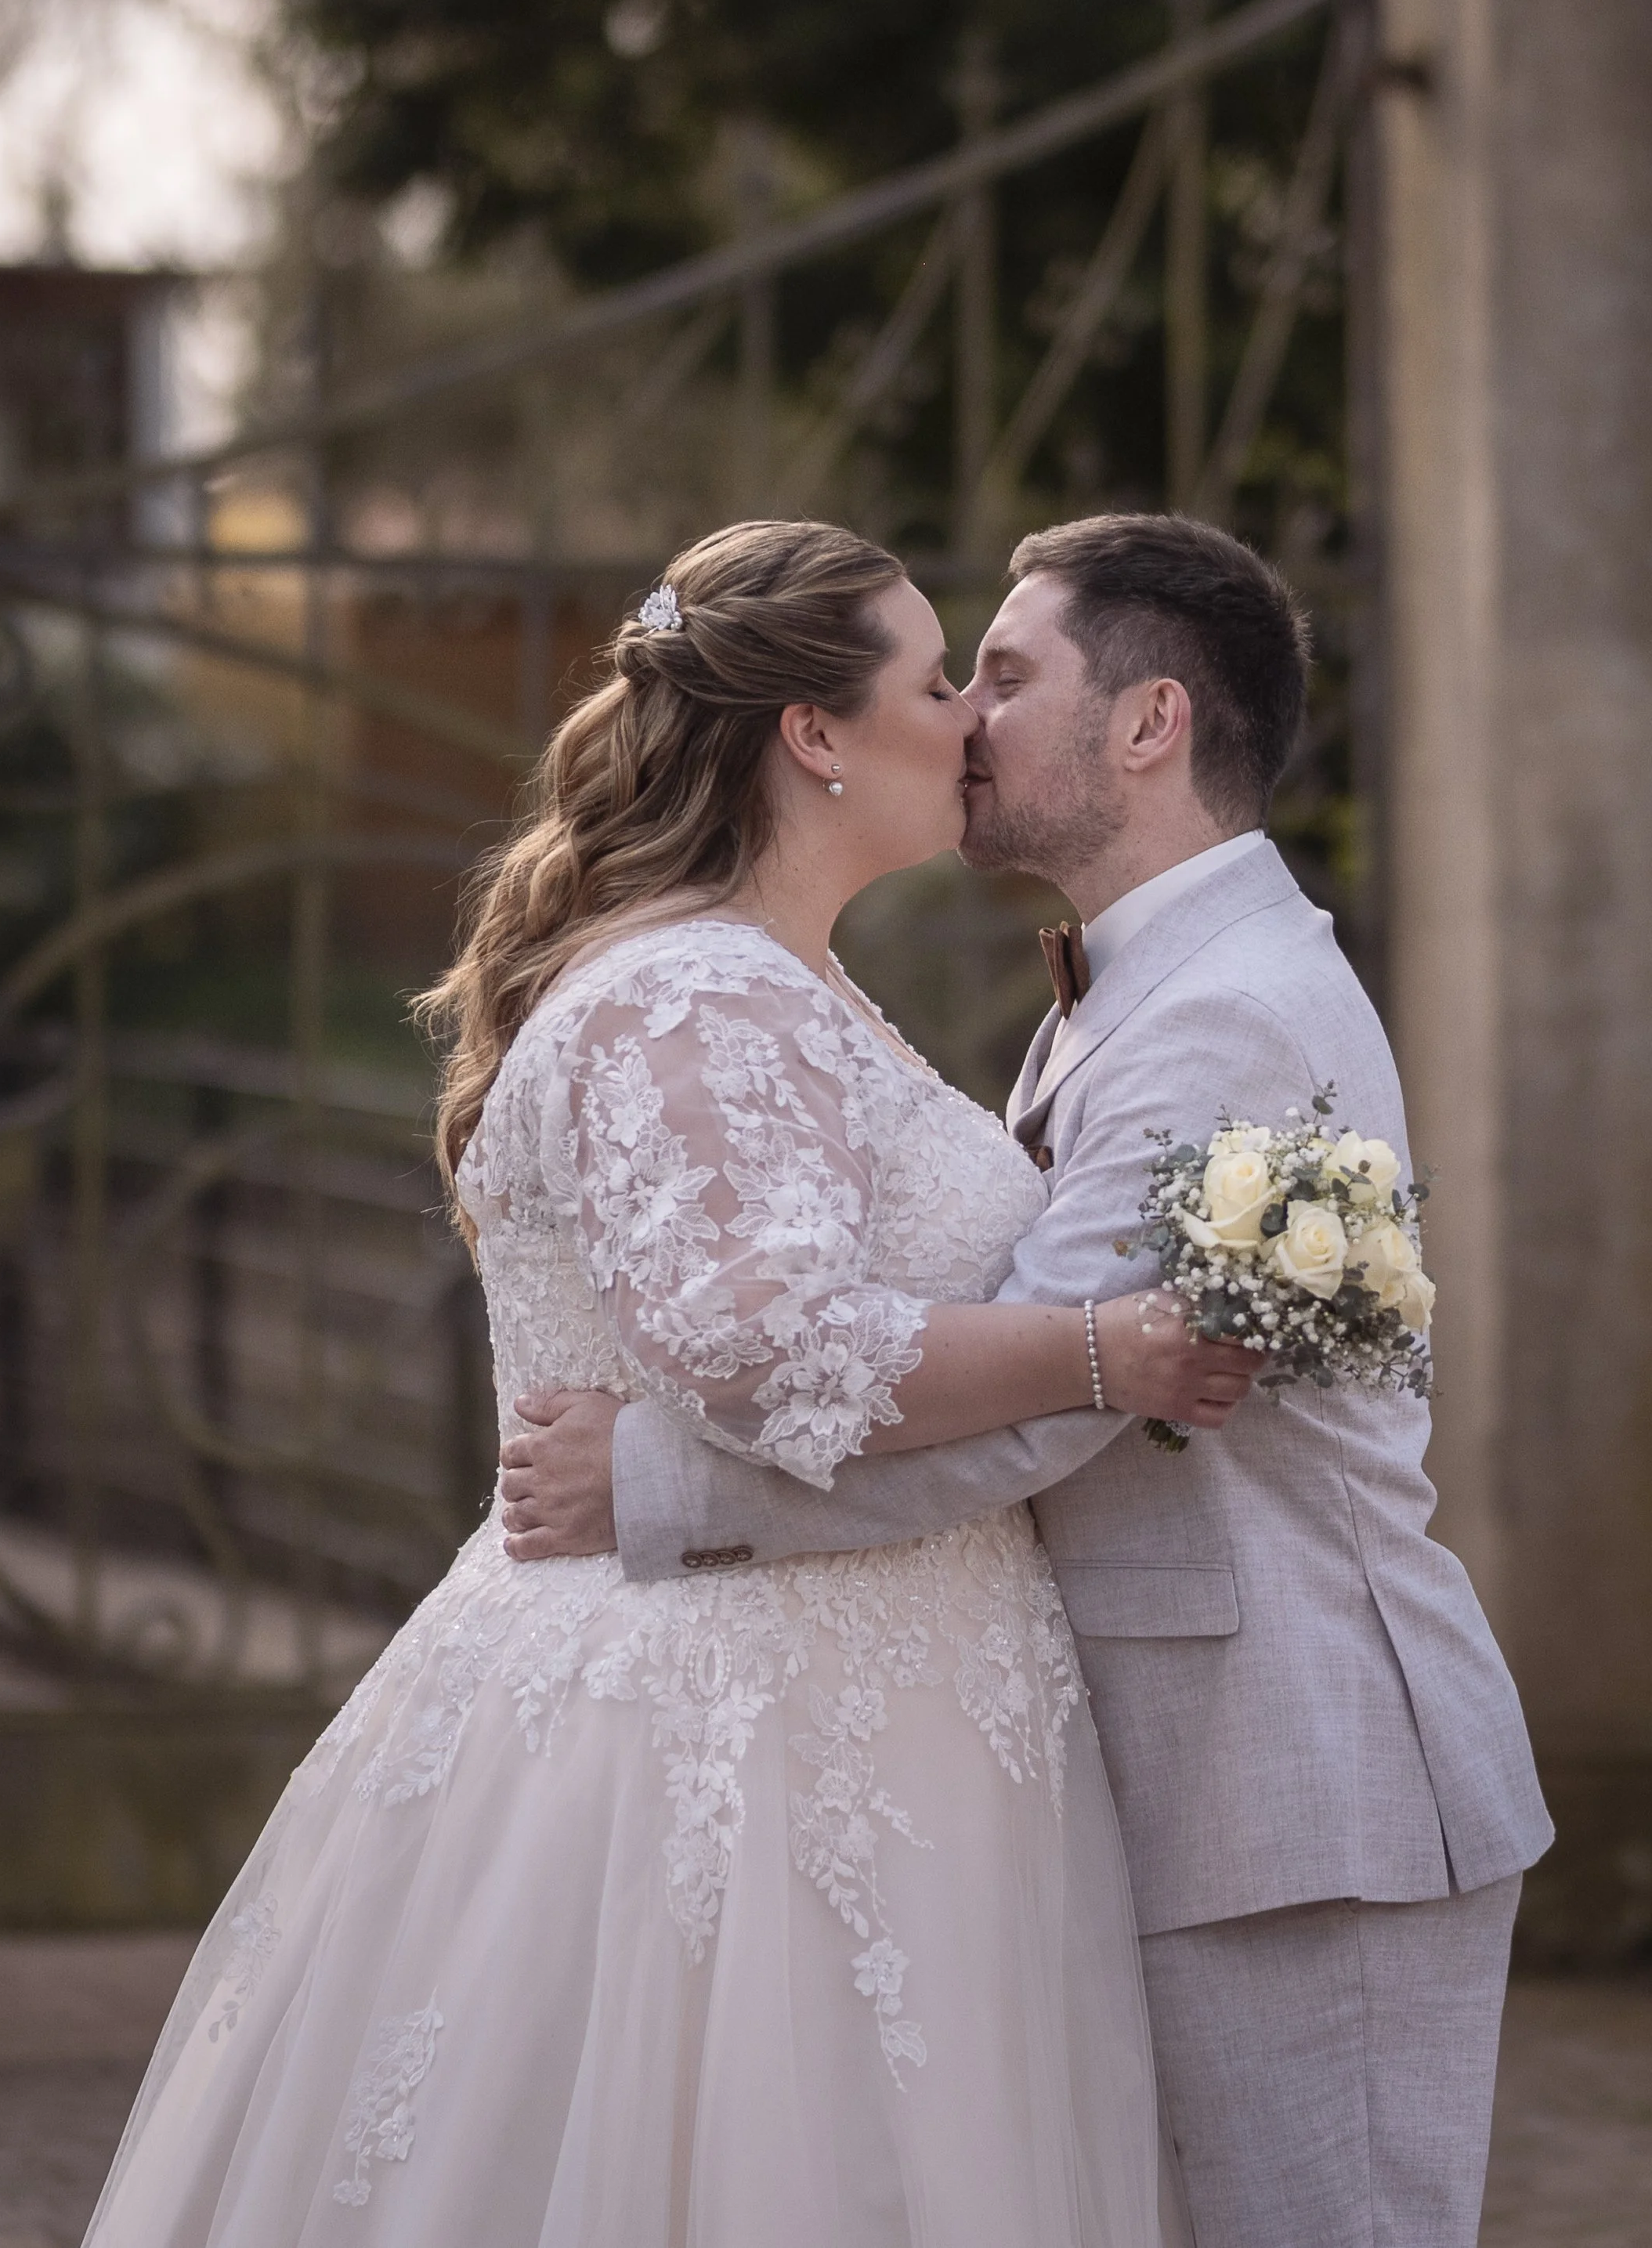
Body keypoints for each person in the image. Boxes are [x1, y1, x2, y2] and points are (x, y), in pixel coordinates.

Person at [81, 517, 1231, 2248]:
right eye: (937, 683)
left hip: (875, 1709)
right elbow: (778, 1355)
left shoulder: (789, 984)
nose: (972, 723)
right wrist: (1104, 1347)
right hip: (728, 1731)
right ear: (813, 736)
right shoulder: (692, 994)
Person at [504, 511, 1556, 2248]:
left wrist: (654, 1484)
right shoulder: (1129, 994)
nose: (967, 715)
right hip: (1201, 1785)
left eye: (1003, 672)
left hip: (1296, 1788)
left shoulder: (1219, 1011)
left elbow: (1060, 1403)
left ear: (1146, 724)